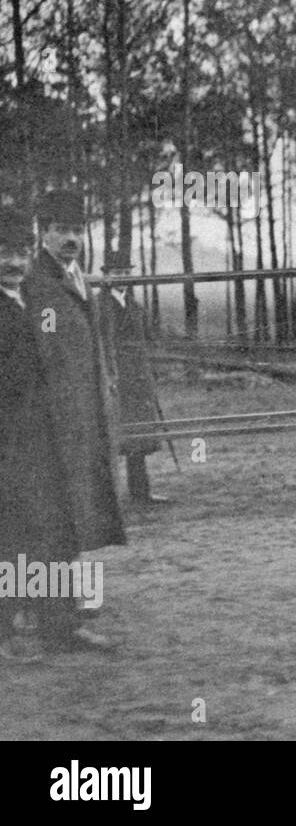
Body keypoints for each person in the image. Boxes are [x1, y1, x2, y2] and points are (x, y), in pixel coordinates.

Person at [22, 190, 126, 650]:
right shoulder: (39, 283)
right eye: (61, 230)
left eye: (77, 230)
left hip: (81, 415)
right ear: (43, 233)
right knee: (52, 518)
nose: (71, 239)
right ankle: (57, 625)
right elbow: (43, 350)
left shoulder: (74, 276)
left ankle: (58, 609)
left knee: (69, 513)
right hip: (51, 420)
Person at [0, 202, 102, 660]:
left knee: (52, 530)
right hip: (10, 440)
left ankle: (60, 626)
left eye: (20, 253)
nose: (13, 262)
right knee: (14, 537)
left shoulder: (25, 300)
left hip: (41, 436)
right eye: (2, 252)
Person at [98, 249, 167, 504]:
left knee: (137, 437)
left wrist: (149, 370)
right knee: (110, 436)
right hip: (113, 376)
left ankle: (141, 492)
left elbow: (147, 340)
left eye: (127, 272)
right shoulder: (99, 305)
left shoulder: (135, 306)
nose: (123, 276)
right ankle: (106, 497)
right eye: (118, 272)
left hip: (136, 377)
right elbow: (100, 343)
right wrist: (108, 374)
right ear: (106, 276)